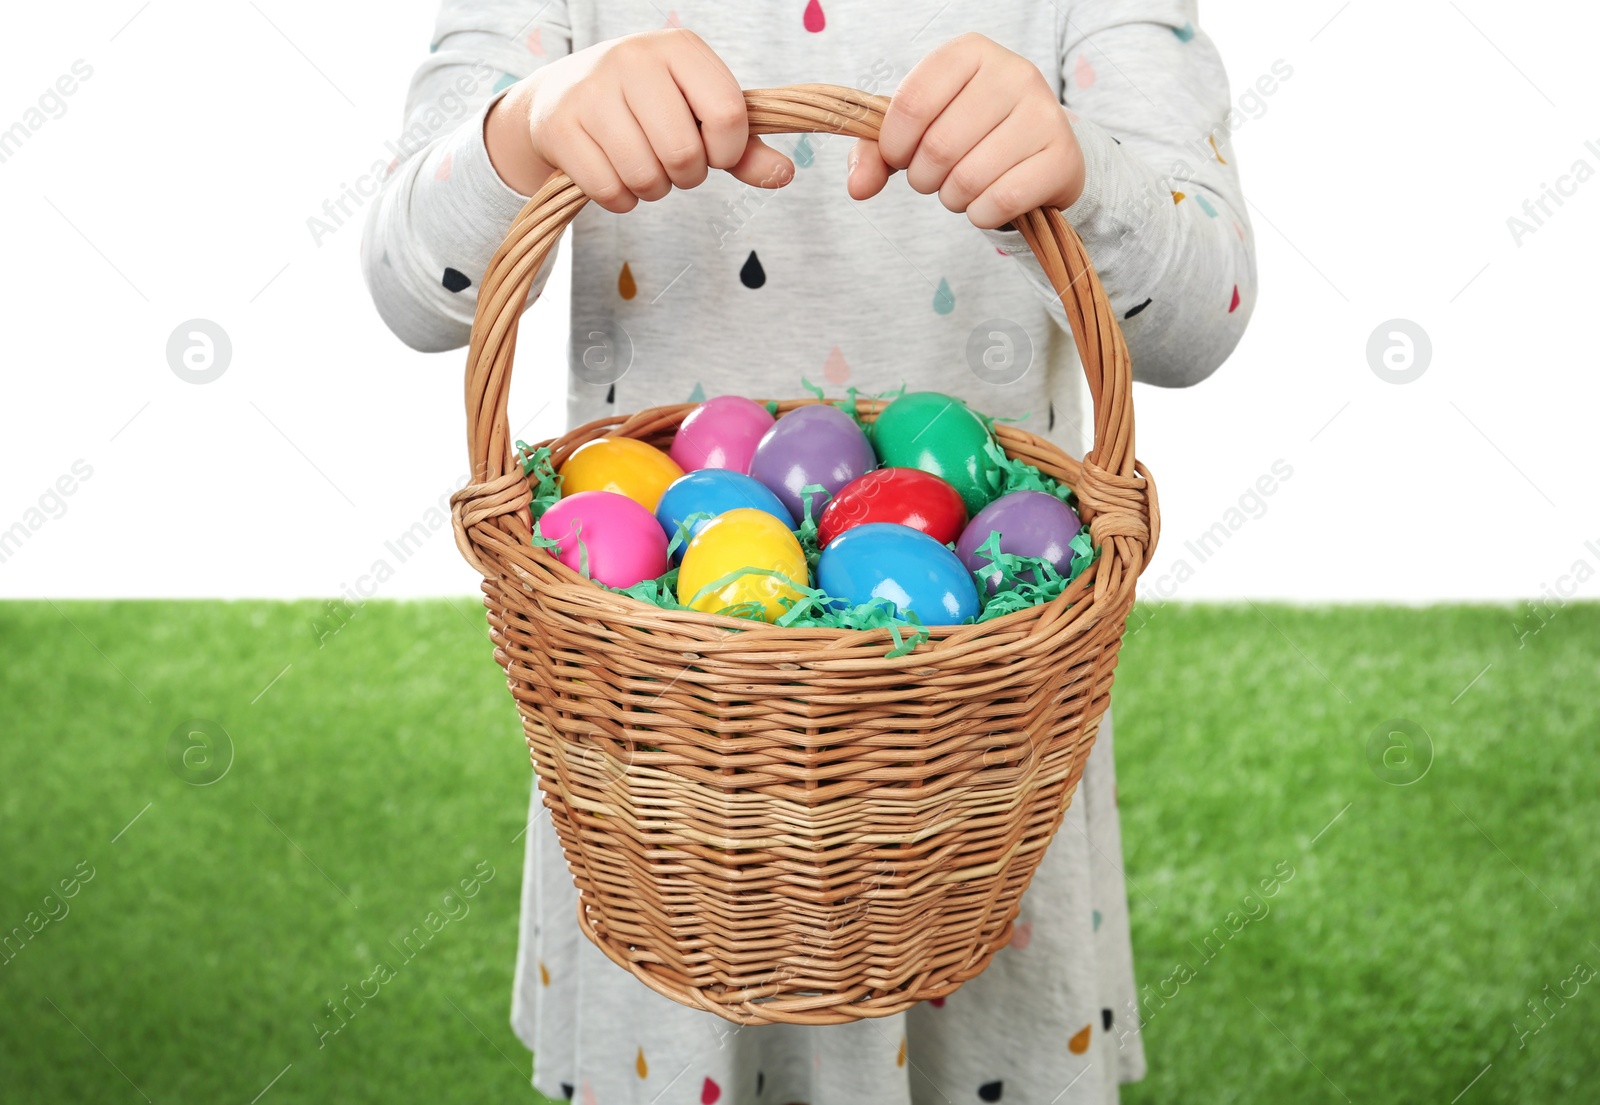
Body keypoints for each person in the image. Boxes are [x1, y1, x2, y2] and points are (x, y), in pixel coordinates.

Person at [363, 3, 1254, 1101]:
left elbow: (1198, 319)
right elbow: (413, 289)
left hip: (963, 770)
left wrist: (1084, 176)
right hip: (666, 772)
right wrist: (528, 125)